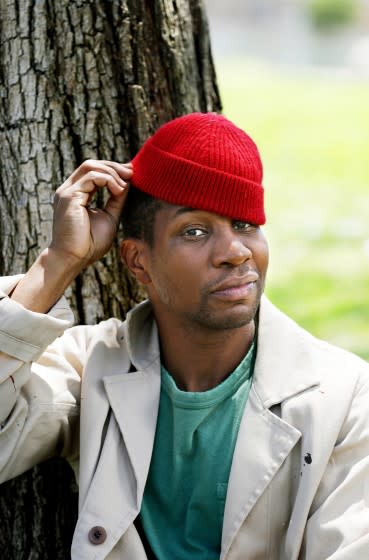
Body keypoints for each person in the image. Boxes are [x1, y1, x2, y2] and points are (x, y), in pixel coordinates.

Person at [0, 112, 368, 560]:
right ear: (138, 262)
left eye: (245, 224)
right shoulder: (93, 366)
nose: (235, 252)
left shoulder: (345, 395)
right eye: (194, 231)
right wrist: (58, 262)